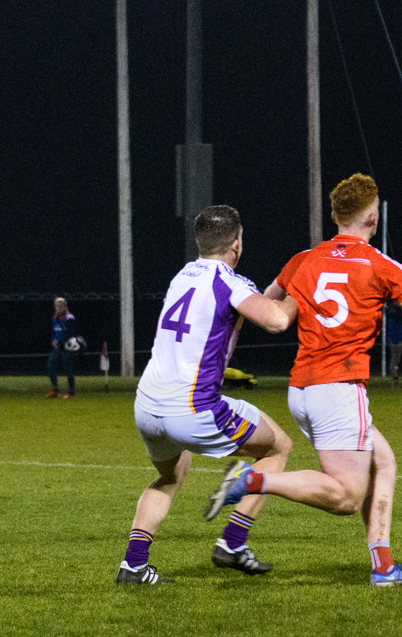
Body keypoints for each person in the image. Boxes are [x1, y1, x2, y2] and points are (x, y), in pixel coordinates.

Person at [206, 174, 402, 588]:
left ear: (336, 215)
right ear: (372, 216)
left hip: (302, 390)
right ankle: (251, 480)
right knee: (348, 496)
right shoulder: (381, 265)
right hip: (339, 388)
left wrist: (223, 353)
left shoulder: (304, 259)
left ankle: (383, 567)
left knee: (383, 462)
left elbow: (260, 303)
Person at [116, 205, 298, 584]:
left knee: (170, 476)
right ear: (236, 244)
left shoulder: (182, 275)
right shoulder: (229, 281)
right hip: (193, 408)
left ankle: (133, 565)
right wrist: (298, 288)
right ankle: (233, 541)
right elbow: (278, 320)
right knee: (278, 447)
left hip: (147, 405)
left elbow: (244, 306)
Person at [45, 297, 78, 398]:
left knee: (68, 369)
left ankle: (71, 392)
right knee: (50, 366)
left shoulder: (69, 318)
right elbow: (55, 331)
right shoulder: (55, 318)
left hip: (67, 347)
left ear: (65, 306)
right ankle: (55, 390)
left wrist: (61, 342)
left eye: (61, 305)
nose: (59, 307)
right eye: (57, 305)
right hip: (57, 347)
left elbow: (70, 333)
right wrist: (54, 341)